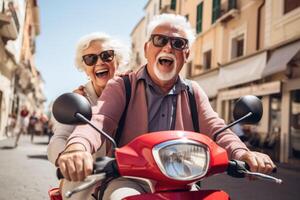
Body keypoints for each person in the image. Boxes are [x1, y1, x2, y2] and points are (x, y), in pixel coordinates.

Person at [57, 14, 276, 200]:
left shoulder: (193, 91)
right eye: (160, 40)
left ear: (186, 54)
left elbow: (216, 127)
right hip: (129, 180)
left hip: (183, 182)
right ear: (147, 48)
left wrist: (243, 153)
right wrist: (77, 147)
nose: (168, 47)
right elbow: (100, 119)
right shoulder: (123, 85)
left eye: (178, 43)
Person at [47, 32, 129, 200]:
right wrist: (70, 157)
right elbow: (59, 138)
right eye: (90, 59)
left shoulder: (134, 92)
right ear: (84, 68)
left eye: (107, 55)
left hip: (129, 181)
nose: (99, 62)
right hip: (86, 184)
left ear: (117, 60)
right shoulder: (78, 97)